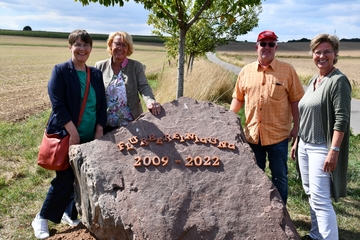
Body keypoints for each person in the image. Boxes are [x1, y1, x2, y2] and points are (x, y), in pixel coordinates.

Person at [31, 29, 107, 239]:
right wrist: (72, 131)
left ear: (90, 48)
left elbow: (102, 105)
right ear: (70, 47)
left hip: (90, 135)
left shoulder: (96, 74)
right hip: (67, 135)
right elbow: (58, 105)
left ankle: (69, 213)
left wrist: (100, 128)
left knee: (80, 177)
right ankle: (42, 217)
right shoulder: (61, 71)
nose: (82, 49)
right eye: (78, 44)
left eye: (86, 45)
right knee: (64, 178)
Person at [229, 30, 305, 205]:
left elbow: (295, 101)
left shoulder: (287, 71)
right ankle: (259, 212)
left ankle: (280, 215)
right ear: (257, 47)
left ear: (276, 47)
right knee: (255, 175)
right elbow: (238, 99)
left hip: (278, 136)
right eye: (263, 44)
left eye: (271, 44)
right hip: (253, 136)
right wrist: (227, 121)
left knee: (280, 177)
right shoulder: (246, 71)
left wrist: (296, 127)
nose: (267, 47)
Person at [290, 34, 351, 240]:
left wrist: (333, 151)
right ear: (312, 55)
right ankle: (317, 235)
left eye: (327, 51)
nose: (322, 56)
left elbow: (341, 119)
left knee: (321, 200)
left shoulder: (338, 81)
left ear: (335, 54)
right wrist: (298, 141)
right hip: (305, 145)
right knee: (311, 195)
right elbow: (306, 113)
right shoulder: (314, 80)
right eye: (318, 52)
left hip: (321, 148)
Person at [94, 31, 161, 134]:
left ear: (128, 48)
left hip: (131, 124)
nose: (120, 48)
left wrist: (150, 101)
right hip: (104, 125)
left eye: (124, 45)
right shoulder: (99, 66)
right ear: (111, 45)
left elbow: (144, 87)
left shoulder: (136, 67)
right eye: (117, 44)